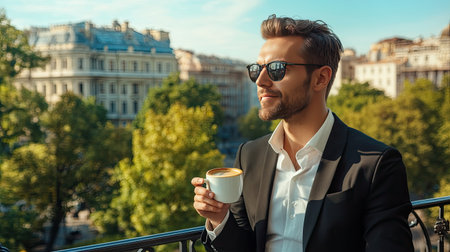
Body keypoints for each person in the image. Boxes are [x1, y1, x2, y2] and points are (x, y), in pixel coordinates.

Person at [191, 14, 414, 252]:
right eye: (257, 69)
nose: (261, 81)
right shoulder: (250, 155)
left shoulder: (376, 164)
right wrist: (219, 218)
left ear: (321, 78)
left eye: (277, 69)